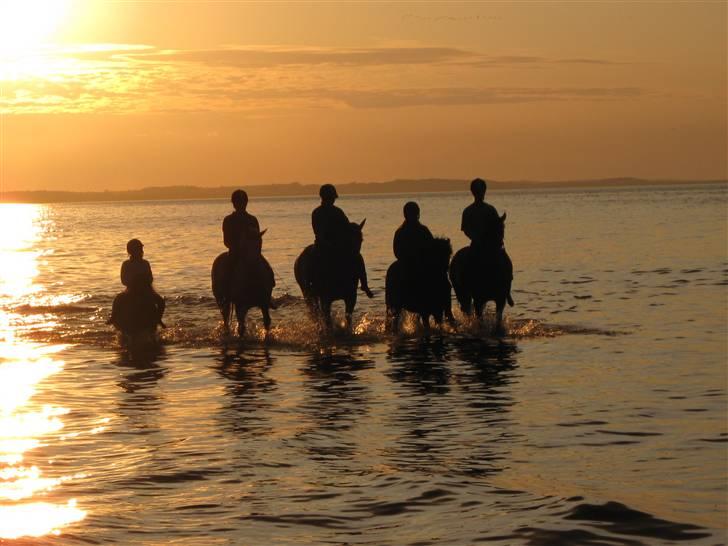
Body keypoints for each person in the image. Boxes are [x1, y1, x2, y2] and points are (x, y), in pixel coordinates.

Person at [311, 184, 373, 298]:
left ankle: (364, 285)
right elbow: (318, 233)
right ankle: (312, 285)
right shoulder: (317, 213)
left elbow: (346, 227)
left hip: (339, 246)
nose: (332, 200)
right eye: (331, 198)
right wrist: (329, 243)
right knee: (313, 262)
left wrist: (355, 228)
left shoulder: (338, 212)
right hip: (323, 247)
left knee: (357, 257)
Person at [221, 189, 276, 306]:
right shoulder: (228, 220)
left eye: (243, 202)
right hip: (235, 253)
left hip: (252, 253)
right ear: (234, 203)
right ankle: (225, 296)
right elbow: (226, 241)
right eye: (238, 202)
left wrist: (256, 251)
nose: (241, 205)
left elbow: (258, 239)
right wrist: (238, 247)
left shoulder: (252, 219)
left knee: (268, 271)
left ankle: (267, 296)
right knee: (226, 272)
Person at [461, 178, 513, 275]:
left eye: (481, 191)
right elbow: (466, 229)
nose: (480, 193)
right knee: (468, 265)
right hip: (476, 245)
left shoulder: (490, 209)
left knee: (505, 262)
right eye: (478, 191)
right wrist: (476, 238)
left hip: (492, 244)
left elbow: (498, 227)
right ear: (473, 192)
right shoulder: (468, 211)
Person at [119, 238, 166, 326]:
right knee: (117, 300)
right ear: (131, 251)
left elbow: (150, 278)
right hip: (131, 290)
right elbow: (123, 280)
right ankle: (113, 317)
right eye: (139, 249)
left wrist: (144, 281)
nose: (141, 251)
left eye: (141, 249)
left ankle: (158, 318)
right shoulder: (126, 264)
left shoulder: (145, 263)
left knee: (160, 301)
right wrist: (133, 281)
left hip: (145, 289)